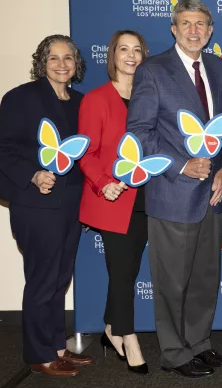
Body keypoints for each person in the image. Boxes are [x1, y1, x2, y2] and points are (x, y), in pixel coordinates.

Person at [126, 0, 222, 379]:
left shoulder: (218, 67)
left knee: (204, 279)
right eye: (186, 23)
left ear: (210, 30)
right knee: (171, 282)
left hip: (213, 196)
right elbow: (138, 133)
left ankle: (198, 343)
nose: (194, 30)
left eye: (201, 24)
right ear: (174, 29)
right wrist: (181, 163)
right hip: (172, 194)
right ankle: (173, 352)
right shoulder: (153, 70)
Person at [0, 34, 93, 377]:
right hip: (35, 204)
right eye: (54, 58)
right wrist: (33, 174)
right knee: (42, 279)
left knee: (59, 278)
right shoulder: (22, 98)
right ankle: (39, 354)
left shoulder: (80, 101)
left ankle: (57, 347)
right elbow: (0, 149)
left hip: (71, 203)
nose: (62, 64)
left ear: (77, 64)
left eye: (68, 58)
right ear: (42, 63)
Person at [77, 30, 149, 375]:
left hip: (149, 198)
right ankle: (127, 335)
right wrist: (104, 184)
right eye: (124, 49)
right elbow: (86, 154)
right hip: (114, 198)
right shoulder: (95, 99)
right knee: (121, 272)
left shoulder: (149, 96)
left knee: (128, 271)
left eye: (137, 50)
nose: (131, 56)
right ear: (113, 56)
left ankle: (110, 327)